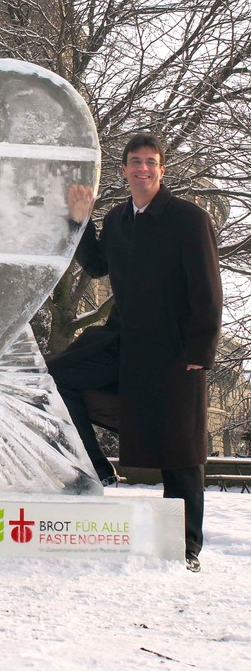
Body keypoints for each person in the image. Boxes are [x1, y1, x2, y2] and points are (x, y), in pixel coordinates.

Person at [47, 132, 222, 572]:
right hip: (122, 340)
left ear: (162, 169)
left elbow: (208, 292)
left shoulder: (188, 219)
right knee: (54, 378)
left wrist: (200, 351)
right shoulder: (119, 219)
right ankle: (96, 466)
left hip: (174, 349)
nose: (142, 169)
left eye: (150, 162)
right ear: (124, 170)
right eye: (134, 162)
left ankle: (186, 547)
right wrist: (81, 221)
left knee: (181, 452)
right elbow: (97, 265)